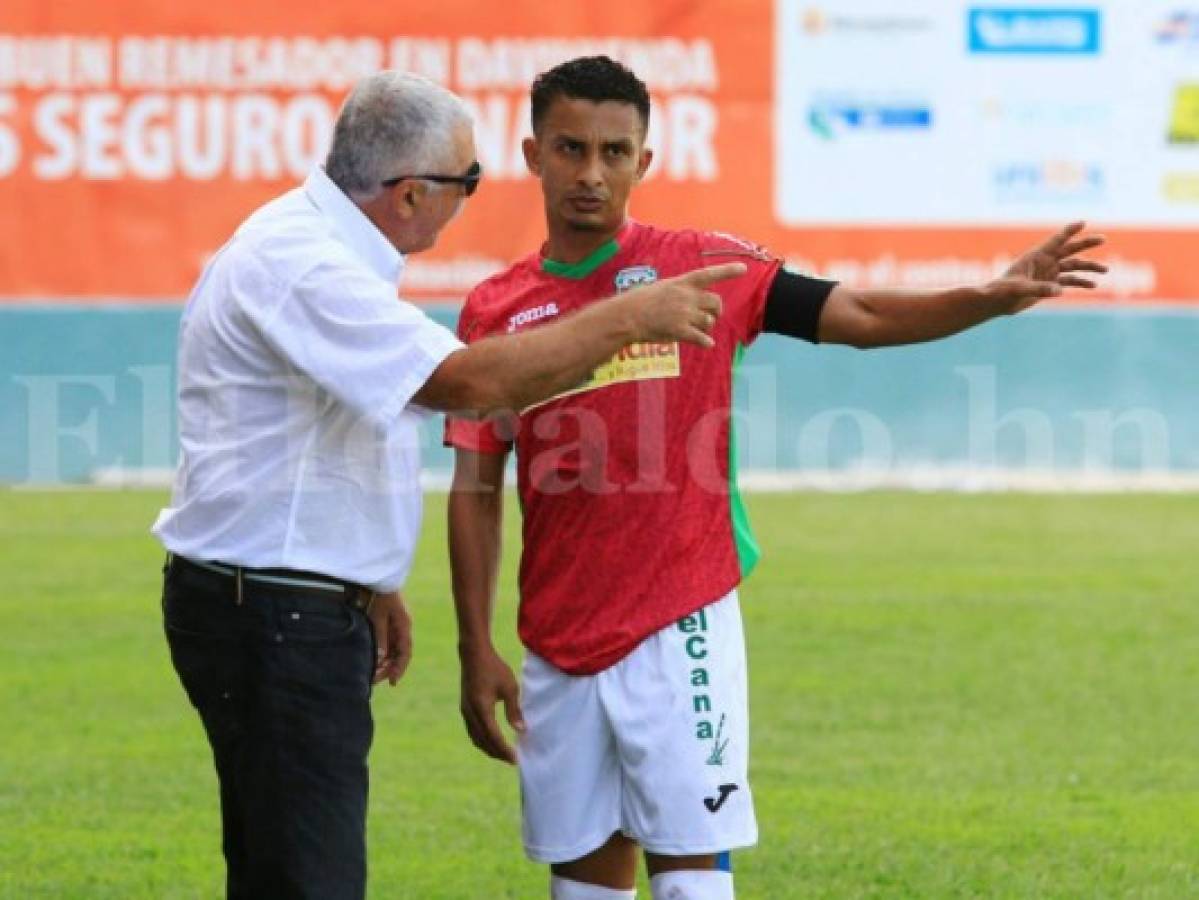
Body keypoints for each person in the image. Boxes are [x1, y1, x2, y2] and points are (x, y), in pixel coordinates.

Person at [444, 56, 1107, 900]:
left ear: (644, 162)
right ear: (533, 155)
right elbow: (474, 490)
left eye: (615, 152)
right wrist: (474, 646)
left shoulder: (704, 270)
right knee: (583, 891)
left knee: (691, 884)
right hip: (557, 642)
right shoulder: (494, 310)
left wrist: (988, 296)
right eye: (570, 149)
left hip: (676, 622)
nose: (591, 173)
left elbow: (859, 316)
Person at [151, 69, 743, 900]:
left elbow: (337, 433)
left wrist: (369, 582)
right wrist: (627, 316)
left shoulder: (318, 248)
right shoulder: (303, 265)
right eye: (467, 183)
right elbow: (467, 385)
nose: (471, 198)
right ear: (407, 194)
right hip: (275, 616)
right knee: (306, 875)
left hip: (287, 601)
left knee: (280, 860)